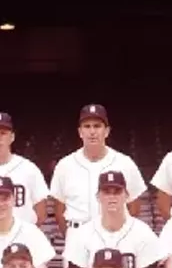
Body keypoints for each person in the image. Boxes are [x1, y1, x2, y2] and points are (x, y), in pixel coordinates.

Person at [47, 104, 146, 254]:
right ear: (80, 132)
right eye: (87, 126)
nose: (92, 132)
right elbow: (59, 208)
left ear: (106, 131)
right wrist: (72, 236)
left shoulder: (124, 163)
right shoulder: (65, 165)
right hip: (77, 233)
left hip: (115, 236)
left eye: (97, 126)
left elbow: (134, 206)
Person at [61, 170, 163, 268]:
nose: (112, 197)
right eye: (107, 192)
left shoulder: (143, 232)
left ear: (126, 195)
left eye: (117, 192)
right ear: (98, 197)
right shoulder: (83, 233)